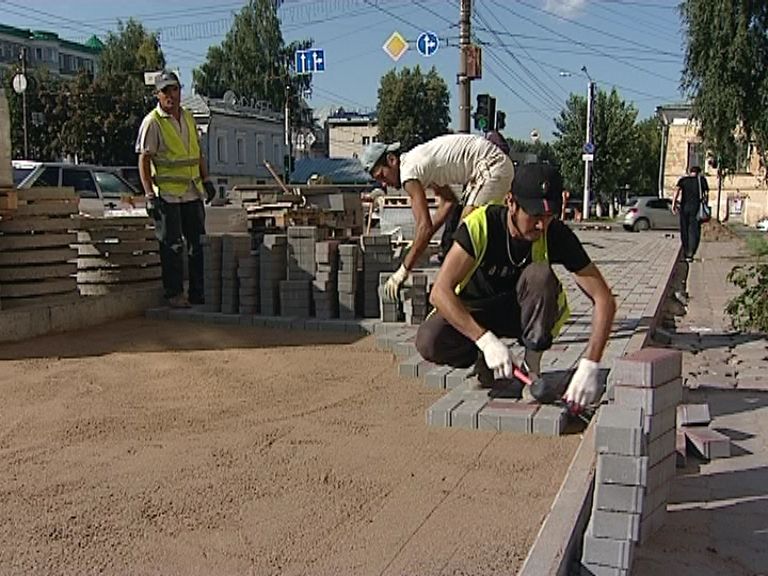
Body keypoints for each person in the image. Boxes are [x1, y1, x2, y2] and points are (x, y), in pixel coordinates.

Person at [415, 163, 616, 412]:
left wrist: (590, 364)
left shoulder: (554, 233)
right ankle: (482, 360)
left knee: (540, 276)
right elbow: (440, 292)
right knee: (428, 340)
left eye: (548, 216)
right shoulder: (481, 225)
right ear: (511, 203)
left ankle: (532, 370)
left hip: (518, 313)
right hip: (475, 310)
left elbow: (604, 298)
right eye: (534, 216)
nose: (542, 226)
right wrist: (485, 341)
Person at [360, 133, 515, 301]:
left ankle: (458, 299)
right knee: (467, 238)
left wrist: (403, 270)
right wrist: (418, 244)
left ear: (391, 160)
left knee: (466, 237)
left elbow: (424, 227)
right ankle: (471, 292)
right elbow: (448, 202)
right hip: (487, 167)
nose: (384, 183)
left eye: (382, 176)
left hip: (490, 166)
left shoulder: (408, 173)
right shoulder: (418, 164)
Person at [136, 70, 215, 308]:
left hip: (191, 190)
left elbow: (197, 153)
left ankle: (197, 293)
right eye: (166, 91)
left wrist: (207, 179)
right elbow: (144, 159)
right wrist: (149, 195)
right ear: (157, 95)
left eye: (175, 89)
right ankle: (174, 294)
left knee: (197, 243)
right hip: (168, 194)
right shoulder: (153, 122)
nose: (171, 95)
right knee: (172, 245)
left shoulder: (189, 117)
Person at [672, 165, 709, 262]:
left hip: (684, 208)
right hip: (696, 208)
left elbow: (676, 191)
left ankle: (685, 250)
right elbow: (706, 195)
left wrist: (674, 204)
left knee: (684, 229)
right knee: (694, 230)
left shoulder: (683, 180)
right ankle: (691, 253)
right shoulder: (701, 180)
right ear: (699, 172)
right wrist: (705, 204)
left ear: (689, 171)